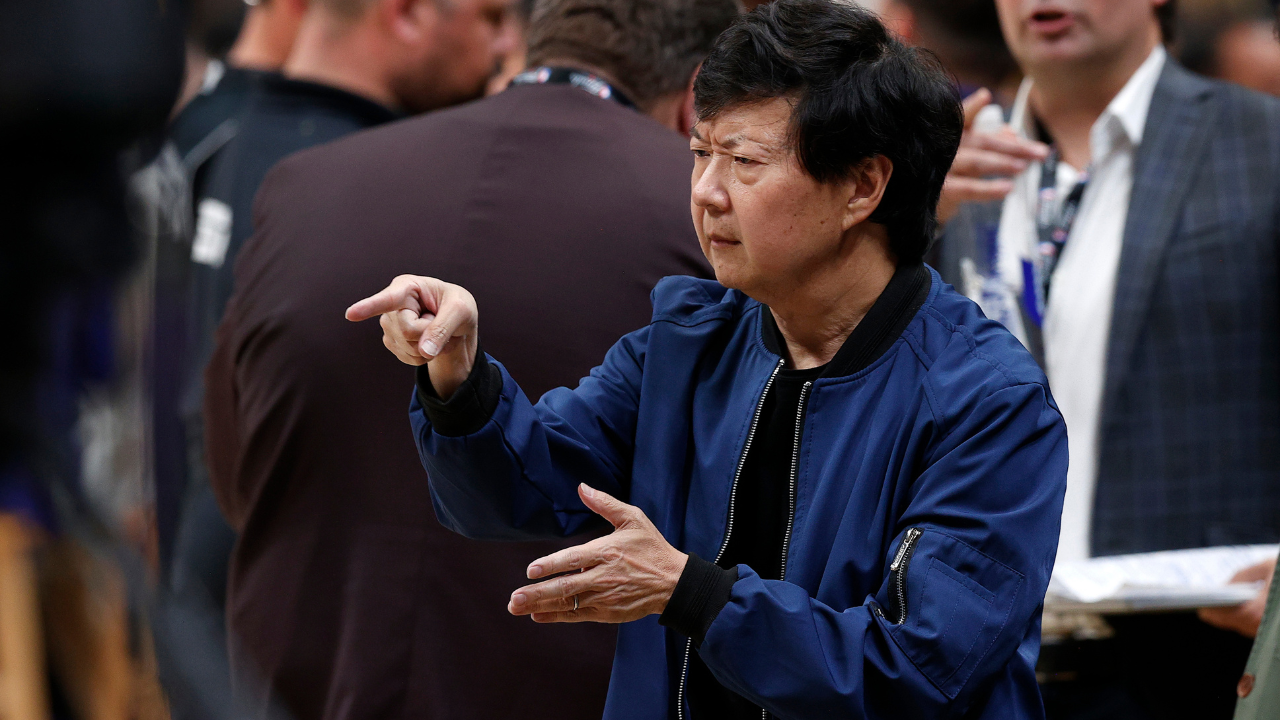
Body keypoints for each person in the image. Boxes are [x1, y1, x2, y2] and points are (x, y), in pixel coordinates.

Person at [347, 2, 1068, 718]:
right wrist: (457, 376)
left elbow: (913, 669)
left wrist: (689, 592)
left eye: (744, 161)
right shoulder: (691, 341)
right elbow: (521, 488)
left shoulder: (987, 401)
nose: (705, 192)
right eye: (699, 153)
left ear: (862, 186)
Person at [201, 0, 737, 717]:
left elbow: (233, 465)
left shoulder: (307, 185)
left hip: (310, 683)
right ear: (698, 92)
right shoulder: (714, 226)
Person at [931, 0, 1280, 716]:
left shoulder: (1260, 142)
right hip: (985, 656)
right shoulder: (946, 163)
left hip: (1197, 652)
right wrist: (903, 223)